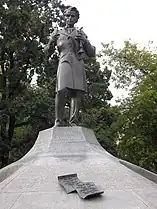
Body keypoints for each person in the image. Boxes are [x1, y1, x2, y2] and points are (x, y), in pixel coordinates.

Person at [44, 6, 95, 127]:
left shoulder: (80, 33)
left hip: (77, 62)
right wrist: (51, 41)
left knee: (77, 92)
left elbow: (92, 53)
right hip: (64, 61)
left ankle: (74, 121)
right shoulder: (58, 32)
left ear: (76, 19)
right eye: (67, 16)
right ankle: (58, 120)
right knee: (61, 90)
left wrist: (85, 41)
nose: (69, 18)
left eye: (72, 16)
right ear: (64, 17)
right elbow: (46, 52)